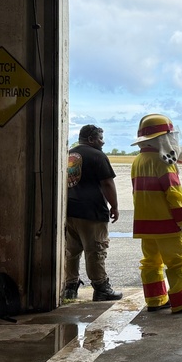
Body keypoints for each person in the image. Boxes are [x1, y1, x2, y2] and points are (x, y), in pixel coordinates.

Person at [131, 113, 182, 314]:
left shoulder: (138, 160)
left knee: (150, 263)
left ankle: (155, 299)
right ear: (162, 138)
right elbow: (173, 192)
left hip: (145, 223)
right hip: (166, 223)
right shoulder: (163, 161)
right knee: (177, 262)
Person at [64, 125, 123, 301]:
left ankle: (70, 287)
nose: (103, 142)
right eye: (100, 138)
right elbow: (107, 183)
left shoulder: (69, 154)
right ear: (91, 139)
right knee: (95, 250)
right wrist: (114, 206)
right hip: (91, 212)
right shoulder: (98, 156)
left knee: (71, 252)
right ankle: (101, 287)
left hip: (70, 210)